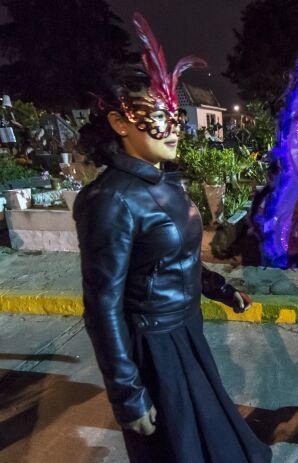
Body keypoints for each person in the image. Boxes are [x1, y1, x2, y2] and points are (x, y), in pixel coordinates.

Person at [73, 13, 272, 463]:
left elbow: (176, 258)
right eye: (158, 117)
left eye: (174, 114)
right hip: (153, 349)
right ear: (120, 123)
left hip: (187, 330)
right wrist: (127, 392)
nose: (175, 126)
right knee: (178, 449)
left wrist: (222, 290)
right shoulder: (108, 201)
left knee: (215, 441)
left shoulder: (164, 183)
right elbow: (102, 305)